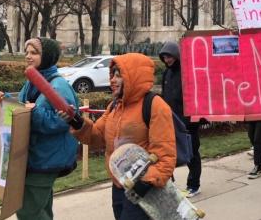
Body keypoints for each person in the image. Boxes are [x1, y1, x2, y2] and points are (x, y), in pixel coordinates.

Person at [59, 53, 176, 220]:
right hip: (120, 187)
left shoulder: (155, 105)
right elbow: (97, 138)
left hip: (145, 189)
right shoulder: (114, 106)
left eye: (119, 75)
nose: (112, 80)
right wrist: (77, 122)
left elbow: (165, 154)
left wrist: (146, 182)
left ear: (133, 77)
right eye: (112, 74)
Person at [0, 38, 79, 220]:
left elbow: (64, 120)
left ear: (46, 56)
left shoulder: (59, 86)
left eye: (34, 52)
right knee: (41, 209)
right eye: (27, 52)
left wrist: (35, 112)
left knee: (27, 210)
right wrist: (7, 100)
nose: (28, 56)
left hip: (47, 159)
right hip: (34, 156)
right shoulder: (33, 80)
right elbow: (24, 105)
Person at [159, 41, 202, 197]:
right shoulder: (166, 74)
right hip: (171, 121)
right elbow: (165, 97)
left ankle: (194, 185)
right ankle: (168, 184)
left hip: (188, 122)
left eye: (169, 56)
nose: (167, 60)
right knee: (168, 154)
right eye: (164, 57)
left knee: (192, 153)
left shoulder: (187, 72)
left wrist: (192, 119)